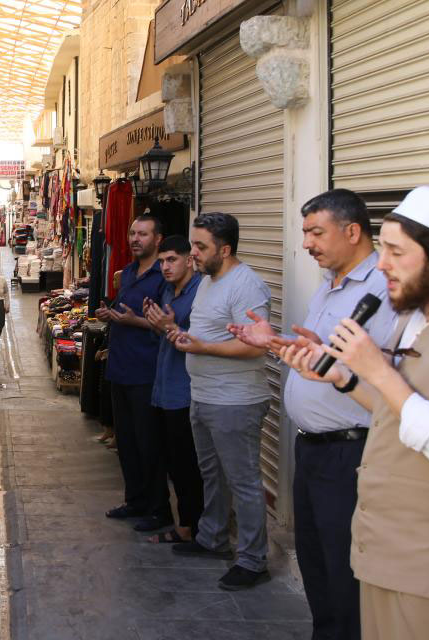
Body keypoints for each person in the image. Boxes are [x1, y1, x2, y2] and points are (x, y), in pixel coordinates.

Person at [279, 186, 429, 640]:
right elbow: (394, 413)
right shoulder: (415, 320)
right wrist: (342, 378)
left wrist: (378, 372)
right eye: (382, 249)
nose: (381, 263)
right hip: (386, 548)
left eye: (395, 252)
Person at [230, 188, 395, 639]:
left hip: (352, 452)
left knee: (345, 571)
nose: (306, 243)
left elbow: (384, 372)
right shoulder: (330, 284)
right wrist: (275, 343)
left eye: (316, 232)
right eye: (305, 233)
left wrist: (332, 364)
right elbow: (319, 357)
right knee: (317, 563)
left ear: (353, 231)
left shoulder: (383, 290)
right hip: (312, 450)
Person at [164, 212, 273, 591]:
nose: (192, 253)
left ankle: (253, 560)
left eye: (200, 246)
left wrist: (202, 347)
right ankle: (212, 538)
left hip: (236, 401)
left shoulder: (247, 286)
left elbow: (256, 347)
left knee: (243, 481)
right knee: (212, 473)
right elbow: (205, 333)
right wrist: (178, 333)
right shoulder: (209, 282)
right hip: (205, 394)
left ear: (224, 250)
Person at [97, 215, 169, 534]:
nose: (135, 239)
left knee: (148, 442)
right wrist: (110, 315)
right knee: (126, 442)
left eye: (143, 234)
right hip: (120, 367)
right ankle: (135, 500)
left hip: (146, 371)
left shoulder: (163, 277)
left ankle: (158, 508)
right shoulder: (127, 273)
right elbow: (123, 313)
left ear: (158, 239)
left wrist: (133, 321)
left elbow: (166, 326)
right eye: (132, 233)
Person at [140, 235, 204, 545]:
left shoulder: (200, 293)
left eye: (172, 260)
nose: (165, 267)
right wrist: (155, 325)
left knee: (187, 464)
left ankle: (191, 528)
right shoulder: (167, 291)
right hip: (164, 387)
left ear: (189, 260)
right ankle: (185, 524)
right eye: (162, 261)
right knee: (173, 462)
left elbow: (202, 340)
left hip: (186, 391)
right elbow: (164, 338)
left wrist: (168, 327)